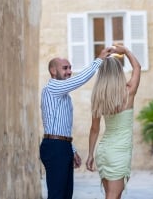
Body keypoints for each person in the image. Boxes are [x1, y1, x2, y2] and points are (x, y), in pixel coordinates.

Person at [40, 47, 115, 199]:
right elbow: (79, 80)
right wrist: (99, 59)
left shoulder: (65, 96)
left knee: (66, 195)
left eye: (70, 68)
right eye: (65, 68)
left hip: (62, 146)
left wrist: (71, 149)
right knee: (57, 195)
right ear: (53, 71)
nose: (69, 72)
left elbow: (60, 127)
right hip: (54, 148)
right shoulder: (52, 87)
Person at [86, 45, 141, 199]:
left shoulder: (98, 97)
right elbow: (137, 67)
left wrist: (91, 154)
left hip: (104, 151)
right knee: (113, 195)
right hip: (119, 152)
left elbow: (94, 129)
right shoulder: (128, 92)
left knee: (112, 196)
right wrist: (126, 51)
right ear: (119, 72)